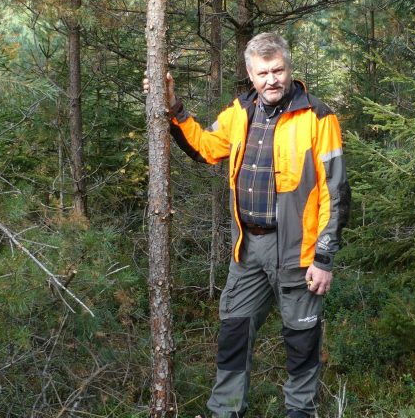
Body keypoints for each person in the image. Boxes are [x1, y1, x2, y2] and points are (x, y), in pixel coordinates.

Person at [145, 32, 350, 418]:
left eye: (278, 70)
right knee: (234, 334)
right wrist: (175, 110)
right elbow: (206, 148)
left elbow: (336, 192)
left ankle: (300, 413)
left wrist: (324, 257)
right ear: (250, 75)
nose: (271, 79)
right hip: (248, 250)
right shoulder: (241, 112)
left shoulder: (318, 118)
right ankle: (225, 412)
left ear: (290, 69)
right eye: (262, 73)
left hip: (299, 253)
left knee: (301, 342)